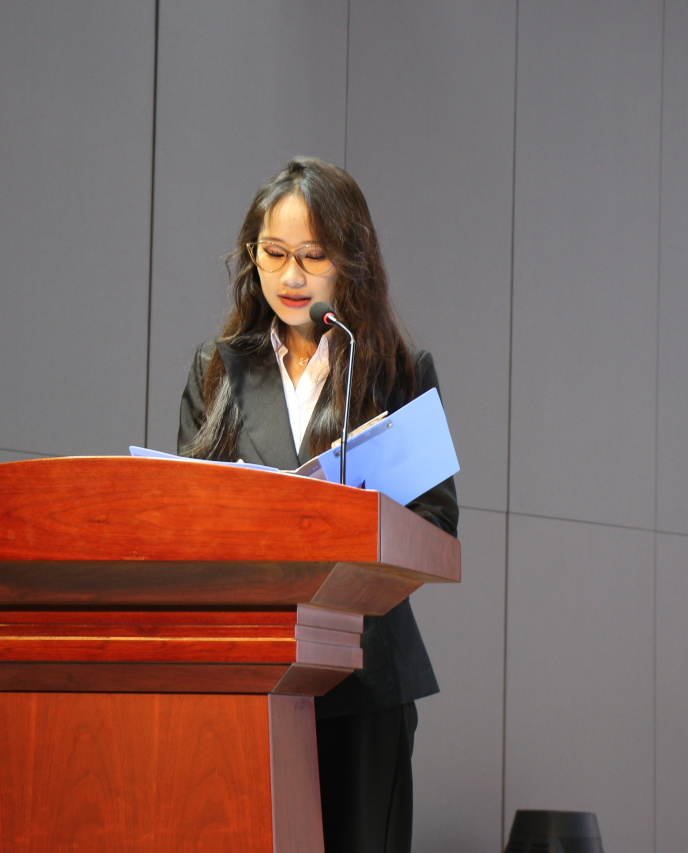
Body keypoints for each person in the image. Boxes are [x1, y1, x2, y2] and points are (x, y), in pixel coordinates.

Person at [177, 156, 458, 853]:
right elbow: (185, 517)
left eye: (312, 255)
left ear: (350, 261)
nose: (291, 276)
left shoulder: (395, 368)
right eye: (273, 253)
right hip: (250, 670)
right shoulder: (218, 367)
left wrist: (352, 522)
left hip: (365, 672)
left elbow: (437, 523)